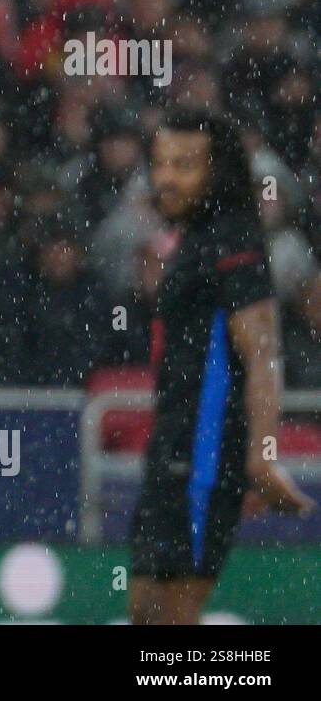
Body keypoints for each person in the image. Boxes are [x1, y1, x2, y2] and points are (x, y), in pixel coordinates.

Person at [129, 108, 315, 624]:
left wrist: (260, 456)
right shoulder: (199, 240)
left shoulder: (233, 242)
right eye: (161, 163)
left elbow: (263, 355)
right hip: (174, 447)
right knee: (145, 611)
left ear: (218, 171)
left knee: (172, 618)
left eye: (184, 165)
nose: (166, 177)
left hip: (205, 452)